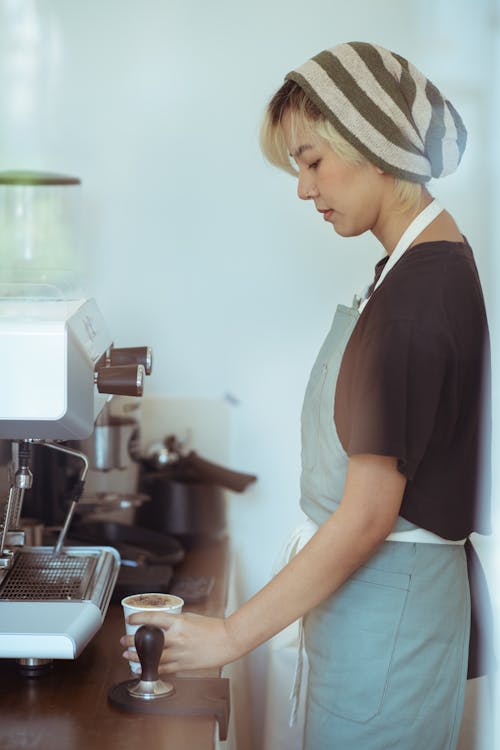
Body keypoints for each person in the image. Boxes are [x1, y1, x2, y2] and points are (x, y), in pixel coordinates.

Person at [121, 42, 492, 749]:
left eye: (312, 160)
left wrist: (229, 635)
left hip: (393, 621)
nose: (303, 188)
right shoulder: (413, 272)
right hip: (386, 615)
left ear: (375, 141)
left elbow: (364, 516)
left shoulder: (417, 298)